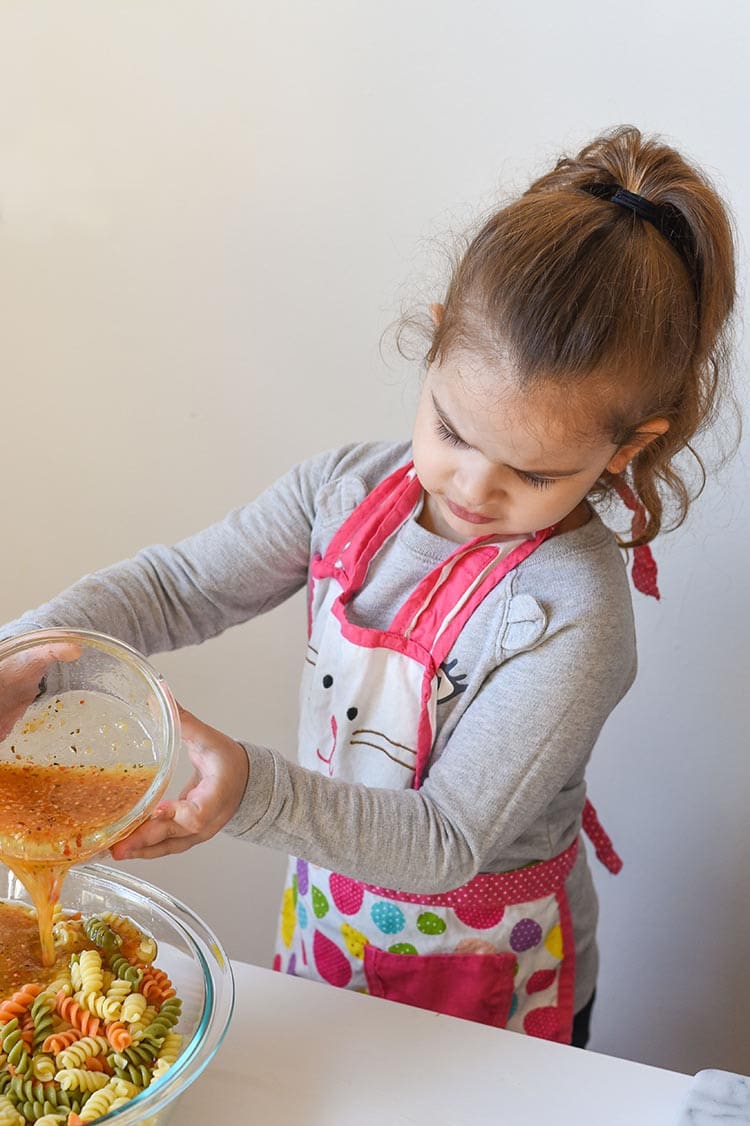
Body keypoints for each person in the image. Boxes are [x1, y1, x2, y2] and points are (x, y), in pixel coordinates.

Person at [1, 125, 736, 1048]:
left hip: (490, 977)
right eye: (454, 431)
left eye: (535, 474)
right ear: (432, 348)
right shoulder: (342, 493)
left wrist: (250, 794)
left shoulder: (572, 615)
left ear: (623, 450)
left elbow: (447, 841)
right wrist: (24, 656)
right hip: (332, 924)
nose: (474, 488)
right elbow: (176, 587)